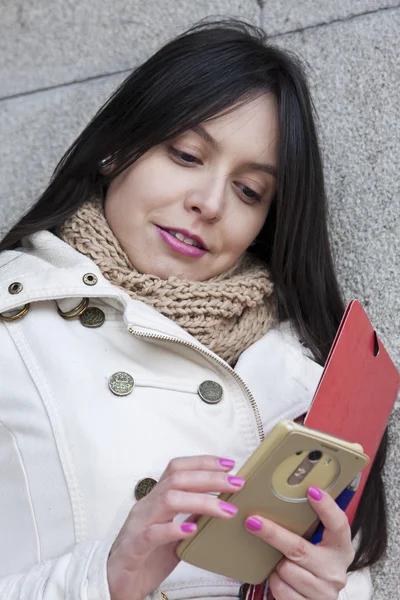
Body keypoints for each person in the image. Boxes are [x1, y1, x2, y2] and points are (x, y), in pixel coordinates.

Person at [0, 19, 387, 600]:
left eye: (249, 190)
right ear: (114, 148)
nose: (208, 202)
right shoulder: (15, 324)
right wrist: (105, 581)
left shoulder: (306, 378)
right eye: (186, 154)